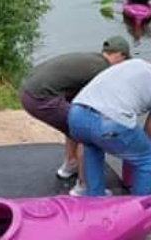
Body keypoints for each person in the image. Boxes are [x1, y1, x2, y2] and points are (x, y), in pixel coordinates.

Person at [19, 36, 131, 191]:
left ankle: (70, 164)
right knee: (88, 132)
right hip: (40, 98)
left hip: (27, 90)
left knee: (75, 120)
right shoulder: (103, 69)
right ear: (119, 55)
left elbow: (80, 100)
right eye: (124, 60)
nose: (122, 66)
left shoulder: (92, 60)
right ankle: (84, 187)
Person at [68, 51, 151, 196]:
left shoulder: (134, 63)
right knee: (147, 156)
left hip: (76, 115)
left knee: (92, 146)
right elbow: (149, 131)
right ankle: (142, 204)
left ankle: (95, 196)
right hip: (107, 124)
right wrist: (137, 153)